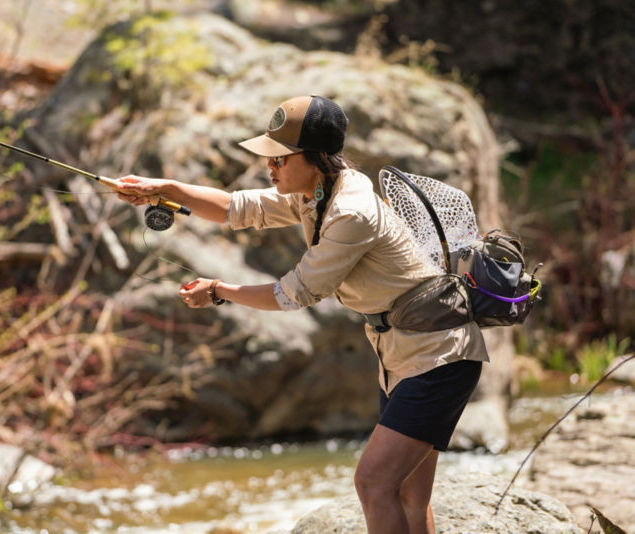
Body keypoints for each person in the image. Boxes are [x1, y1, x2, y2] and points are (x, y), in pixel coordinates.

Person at [116, 95, 488, 534]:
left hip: (439, 356)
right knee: (406, 490)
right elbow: (239, 208)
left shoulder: (351, 212)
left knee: (373, 483)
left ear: (315, 158)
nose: (269, 167)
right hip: (407, 353)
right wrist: (167, 190)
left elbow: (294, 293)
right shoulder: (316, 191)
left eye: (279, 158)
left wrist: (219, 291)